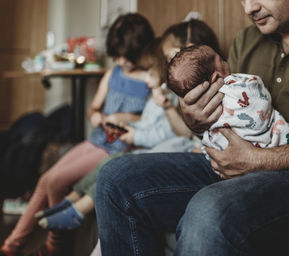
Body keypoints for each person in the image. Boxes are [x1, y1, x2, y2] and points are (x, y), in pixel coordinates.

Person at [97, 1, 289, 256]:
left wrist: (259, 160)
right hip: (244, 166)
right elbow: (227, 118)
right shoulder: (246, 40)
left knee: (209, 212)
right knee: (116, 178)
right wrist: (195, 120)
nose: (248, 7)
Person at [0, 13, 155, 256]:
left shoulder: (151, 80)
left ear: (140, 50)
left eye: (125, 56)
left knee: (56, 181)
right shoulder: (113, 74)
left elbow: (154, 121)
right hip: (98, 139)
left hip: (119, 145)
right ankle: (11, 246)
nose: (120, 61)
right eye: (117, 56)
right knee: (45, 179)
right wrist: (97, 118)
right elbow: (93, 109)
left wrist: (126, 117)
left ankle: (55, 248)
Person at [35, 38, 194, 231]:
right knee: (103, 165)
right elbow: (145, 123)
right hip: (132, 144)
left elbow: (165, 133)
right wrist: (126, 127)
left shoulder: (166, 100)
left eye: (149, 73)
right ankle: (70, 201)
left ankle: (76, 211)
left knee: (112, 168)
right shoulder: (155, 96)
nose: (144, 78)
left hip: (144, 149)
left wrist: (134, 135)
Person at [167, 44, 289, 152]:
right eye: (222, 60)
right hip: (232, 157)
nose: (226, 62)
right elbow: (258, 93)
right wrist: (195, 125)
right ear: (216, 77)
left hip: (277, 156)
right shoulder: (243, 42)